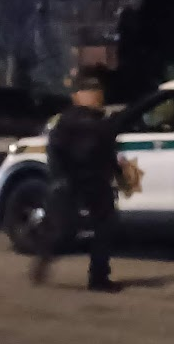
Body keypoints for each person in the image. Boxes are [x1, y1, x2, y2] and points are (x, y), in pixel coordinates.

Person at [31, 68, 127, 293]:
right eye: (90, 91)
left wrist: (118, 176)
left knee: (105, 226)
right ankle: (45, 257)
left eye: (97, 91)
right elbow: (54, 150)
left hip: (96, 180)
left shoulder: (104, 123)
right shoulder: (66, 121)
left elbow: (108, 153)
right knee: (65, 230)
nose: (96, 95)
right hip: (70, 180)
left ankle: (99, 277)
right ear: (77, 96)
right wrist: (60, 178)